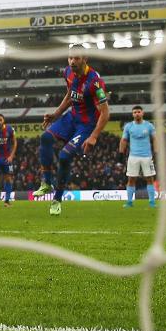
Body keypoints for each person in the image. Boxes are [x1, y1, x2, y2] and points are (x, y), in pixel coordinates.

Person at [34, 52, 111, 216]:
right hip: (71, 118)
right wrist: (56, 114)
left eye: (76, 58)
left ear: (85, 59)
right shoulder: (68, 72)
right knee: (45, 137)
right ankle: (46, 182)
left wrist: (94, 136)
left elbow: (105, 113)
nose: (72, 61)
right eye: (70, 58)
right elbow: (70, 95)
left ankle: (57, 200)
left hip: (86, 125)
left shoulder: (96, 82)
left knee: (64, 156)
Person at [119, 105, 156, 208]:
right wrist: (121, 153)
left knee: (150, 178)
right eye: (135, 112)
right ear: (132, 114)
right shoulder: (128, 126)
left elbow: (155, 139)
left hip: (147, 156)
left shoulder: (149, 126)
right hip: (133, 157)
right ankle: (129, 202)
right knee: (131, 179)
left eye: (138, 112)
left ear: (142, 113)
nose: (137, 114)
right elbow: (124, 140)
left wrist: (156, 152)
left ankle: (152, 202)